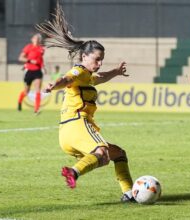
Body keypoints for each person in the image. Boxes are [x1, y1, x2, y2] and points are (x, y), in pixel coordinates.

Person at [37, 4, 135, 202]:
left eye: (101, 60)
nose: (99, 64)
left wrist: (115, 72)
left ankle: (129, 193)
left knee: (118, 154)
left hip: (67, 133)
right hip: (77, 124)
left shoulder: (87, 76)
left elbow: (99, 77)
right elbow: (66, 79)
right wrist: (52, 86)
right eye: (97, 59)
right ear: (84, 56)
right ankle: (73, 172)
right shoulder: (79, 71)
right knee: (102, 152)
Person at [17, 33, 45, 114]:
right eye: (36, 38)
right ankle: (19, 101)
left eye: (39, 38)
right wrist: (29, 61)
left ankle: (36, 110)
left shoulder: (41, 49)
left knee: (38, 90)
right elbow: (20, 58)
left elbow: (40, 59)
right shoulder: (28, 47)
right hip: (29, 71)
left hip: (37, 71)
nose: (38, 39)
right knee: (27, 91)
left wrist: (43, 66)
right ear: (32, 39)